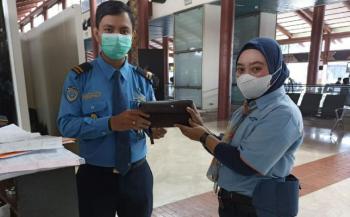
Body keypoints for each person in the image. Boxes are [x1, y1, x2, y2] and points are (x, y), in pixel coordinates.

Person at [57, 1, 167, 217]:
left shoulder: (143, 79)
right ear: (97, 34)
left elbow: (150, 120)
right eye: (109, 30)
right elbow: (66, 125)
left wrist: (154, 129)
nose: (117, 36)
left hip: (137, 175)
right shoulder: (79, 77)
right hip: (95, 178)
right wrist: (110, 123)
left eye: (124, 30)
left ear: (133, 36)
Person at [176, 37, 303, 217]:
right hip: (233, 203)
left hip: (258, 208)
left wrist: (203, 137)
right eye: (241, 69)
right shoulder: (249, 107)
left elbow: (244, 164)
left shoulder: (283, 113)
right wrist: (203, 129)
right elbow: (229, 148)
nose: (246, 76)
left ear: (276, 69)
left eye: (256, 68)